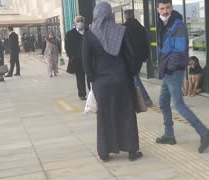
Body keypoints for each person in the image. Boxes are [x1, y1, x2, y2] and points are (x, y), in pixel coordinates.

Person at [82, 1, 142, 162]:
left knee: (104, 115)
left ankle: (104, 152)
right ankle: (132, 151)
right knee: (127, 113)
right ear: (110, 14)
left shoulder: (90, 34)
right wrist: (132, 73)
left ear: (96, 14)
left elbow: (86, 62)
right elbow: (133, 56)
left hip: (102, 82)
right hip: (122, 79)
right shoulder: (122, 31)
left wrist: (92, 79)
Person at [155, 0, 209, 153]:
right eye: (162, 8)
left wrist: (169, 67)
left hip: (173, 71)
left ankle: (205, 133)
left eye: (167, 8)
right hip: (168, 71)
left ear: (171, 8)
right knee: (163, 102)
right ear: (157, 10)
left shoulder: (178, 24)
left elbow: (180, 50)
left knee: (179, 105)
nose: (165, 11)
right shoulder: (165, 24)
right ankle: (169, 135)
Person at [123, 9, 153, 107]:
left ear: (125, 16)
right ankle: (135, 98)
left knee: (135, 78)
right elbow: (146, 43)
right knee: (134, 77)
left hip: (129, 57)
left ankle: (146, 99)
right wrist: (146, 56)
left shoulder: (124, 28)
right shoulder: (141, 27)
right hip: (139, 57)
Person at [65, 15, 90, 100]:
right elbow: (67, 47)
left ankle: (92, 93)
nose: (80, 23)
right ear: (75, 23)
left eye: (81, 21)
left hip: (89, 59)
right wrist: (71, 56)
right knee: (80, 78)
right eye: (78, 21)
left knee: (90, 77)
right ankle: (82, 94)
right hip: (77, 60)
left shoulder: (89, 32)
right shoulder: (70, 34)